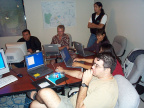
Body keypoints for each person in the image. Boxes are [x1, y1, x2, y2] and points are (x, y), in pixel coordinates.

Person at [29, 53, 118, 108]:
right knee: (34, 105)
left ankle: (35, 95)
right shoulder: (100, 75)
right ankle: (37, 96)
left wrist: (84, 84)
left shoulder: (106, 91)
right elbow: (79, 74)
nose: (92, 67)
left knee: (45, 92)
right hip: (71, 101)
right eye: (94, 64)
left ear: (107, 70)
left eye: (97, 65)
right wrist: (64, 70)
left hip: (75, 106)